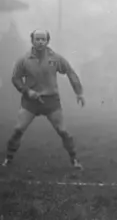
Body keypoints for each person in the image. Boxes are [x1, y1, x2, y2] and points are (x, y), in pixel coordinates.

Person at [2, 30, 85, 169]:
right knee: (18, 129)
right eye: (37, 39)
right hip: (30, 102)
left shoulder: (56, 58)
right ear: (32, 41)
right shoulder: (24, 60)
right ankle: (8, 159)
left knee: (63, 131)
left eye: (43, 39)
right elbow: (15, 78)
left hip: (51, 101)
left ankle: (75, 160)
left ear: (47, 41)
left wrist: (79, 92)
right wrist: (27, 91)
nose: (40, 41)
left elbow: (70, 72)